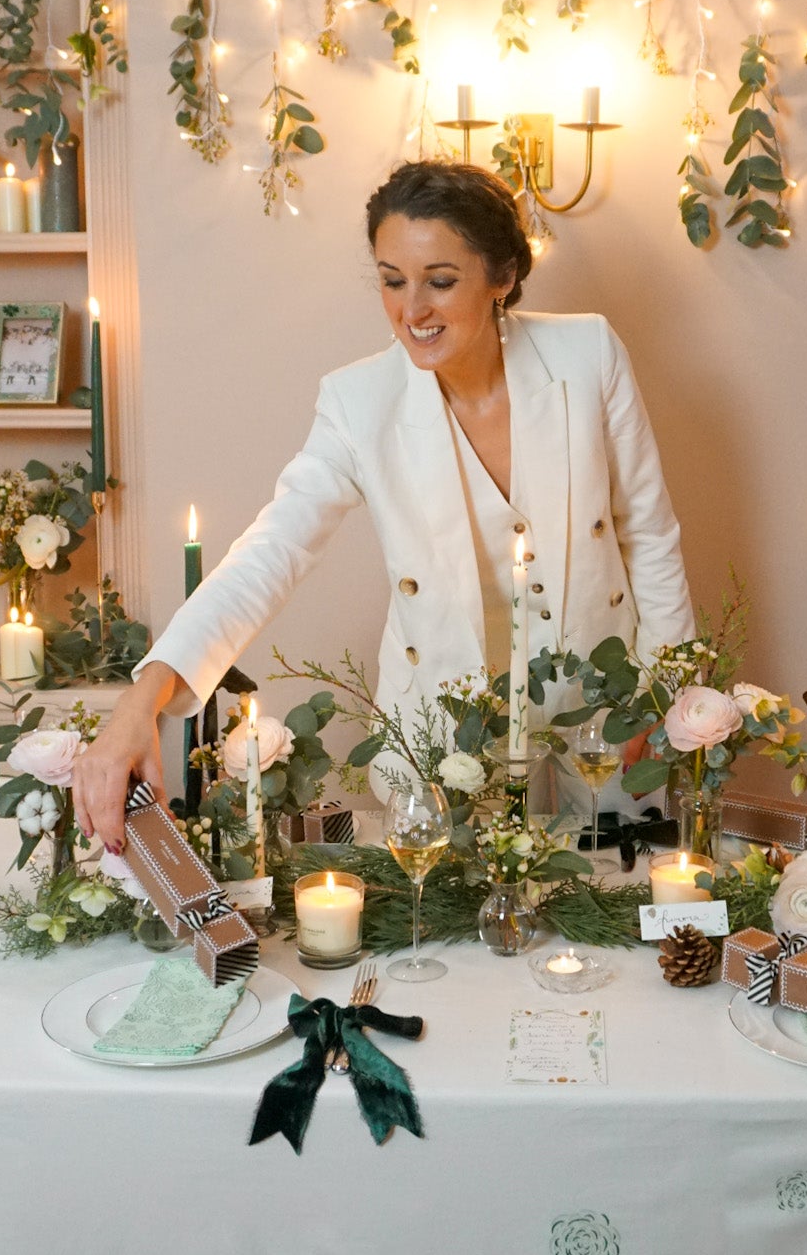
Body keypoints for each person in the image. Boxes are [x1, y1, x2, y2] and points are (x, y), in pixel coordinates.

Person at [73, 162, 695, 851]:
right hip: (442, 747)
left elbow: (649, 534)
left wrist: (657, 701)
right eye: (392, 280)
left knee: (608, 925)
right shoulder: (358, 403)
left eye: (440, 280)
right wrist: (143, 699)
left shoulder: (587, 355)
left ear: (504, 277)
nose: (412, 310)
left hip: (605, 730)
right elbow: (271, 552)